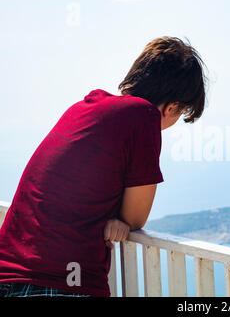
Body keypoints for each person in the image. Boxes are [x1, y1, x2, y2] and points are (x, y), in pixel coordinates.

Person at [0, 36, 208, 297]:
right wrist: (120, 220)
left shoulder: (83, 107)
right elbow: (135, 217)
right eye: (180, 114)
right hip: (59, 286)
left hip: (8, 276)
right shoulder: (144, 116)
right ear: (172, 108)